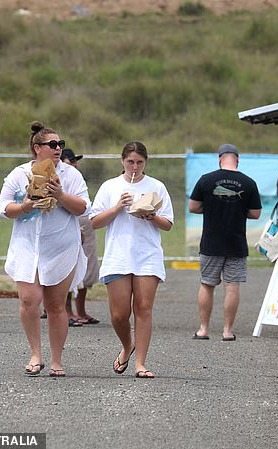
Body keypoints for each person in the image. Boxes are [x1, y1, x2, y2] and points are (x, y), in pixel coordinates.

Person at [0, 121, 89, 377]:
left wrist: (60, 196)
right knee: (29, 300)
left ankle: (57, 360)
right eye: (52, 144)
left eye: (61, 144)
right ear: (37, 148)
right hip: (28, 245)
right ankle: (35, 354)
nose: (58, 148)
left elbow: (84, 208)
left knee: (55, 304)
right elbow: (2, 207)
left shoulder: (71, 175)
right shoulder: (19, 173)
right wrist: (24, 206)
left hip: (60, 246)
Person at [91, 141, 173, 379]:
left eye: (139, 162)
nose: (134, 167)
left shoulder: (156, 186)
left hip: (147, 254)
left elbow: (167, 224)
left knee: (144, 309)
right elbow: (94, 222)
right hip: (118, 254)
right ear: (122, 161)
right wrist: (118, 206)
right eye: (130, 162)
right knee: (119, 314)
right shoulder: (110, 186)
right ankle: (128, 345)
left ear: (145, 162)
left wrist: (152, 216)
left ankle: (141, 363)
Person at [188, 144, 261, 341]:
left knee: (207, 284)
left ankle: (203, 329)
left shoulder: (206, 179)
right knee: (232, 286)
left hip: (211, 243)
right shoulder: (249, 183)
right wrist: (238, 209)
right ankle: (227, 331)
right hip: (236, 243)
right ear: (237, 159)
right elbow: (255, 213)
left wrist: (211, 207)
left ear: (220, 159)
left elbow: (193, 207)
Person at [61, 148, 99, 327]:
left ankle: (81, 310)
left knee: (88, 267)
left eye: (74, 161)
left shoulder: (77, 178)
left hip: (85, 220)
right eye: (69, 161)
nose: (73, 164)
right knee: (68, 267)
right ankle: (67, 311)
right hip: (67, 220)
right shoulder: (58, 178)